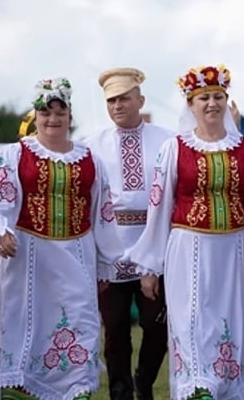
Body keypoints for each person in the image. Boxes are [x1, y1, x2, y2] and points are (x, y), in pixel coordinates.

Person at [124, 64, 244, 400]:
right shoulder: (174, 148)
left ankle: (235, 385)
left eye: (218, 97)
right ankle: (200, 385)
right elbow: (159, 208)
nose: (212, 103)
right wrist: (150, 266)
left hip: (236, 248)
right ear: (191, 105)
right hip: (189, 247)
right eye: (204, 98)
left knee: (236, 317)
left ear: (226, 101)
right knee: (194, 317)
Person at [0, 78, 122, 400]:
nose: (53, 119)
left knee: (80, 319)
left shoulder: (90, 159)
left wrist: (106, 263)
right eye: (45, 113)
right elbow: (0, 200)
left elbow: (102, 212)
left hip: (77, 254)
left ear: (69, 116)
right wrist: (1, 231)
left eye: (60, 112)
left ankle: (77, 388)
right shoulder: (13, 155)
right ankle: (20, 387)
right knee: (27, 322)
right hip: (28, 256)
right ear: (35, 116)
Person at [84, 68, 172, 400]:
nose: (118, 106)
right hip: (110, 248)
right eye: (111, 101)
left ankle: (144, 381)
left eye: (124, 98)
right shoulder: (91, 146)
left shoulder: (168, 141)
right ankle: (120, 393)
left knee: (158, 323)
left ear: (141, 100)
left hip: (155, 245)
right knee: (115, 328)